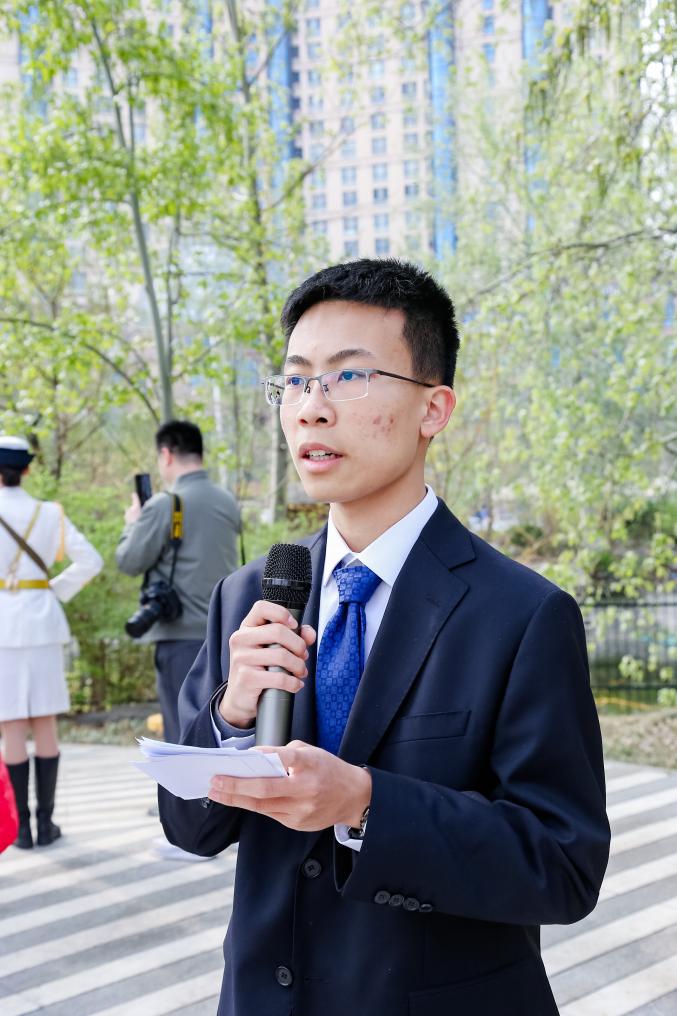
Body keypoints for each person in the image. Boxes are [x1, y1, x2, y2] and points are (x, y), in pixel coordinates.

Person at [159, 260, 610, 1015]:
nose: (311, 408)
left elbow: (564, 865)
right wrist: (230, 717)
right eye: (295, 381)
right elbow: (187, 827)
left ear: (433, 408)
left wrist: (365, 804)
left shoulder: (521, 614)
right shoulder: (251, 594)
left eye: (349, 377)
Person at [116, 420, 241, 859]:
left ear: (166, 454)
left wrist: (134, 522)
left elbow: (129, 560)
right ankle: (212, 811)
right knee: (217, 730)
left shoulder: (166, 504)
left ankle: (190, 833)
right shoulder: (226, 500)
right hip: (227, 632)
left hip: (179, 635)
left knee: (179, 731)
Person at [0, 436, 103, 849]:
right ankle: (46, 824)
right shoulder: (48, 513)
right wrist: (51, 590)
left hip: (3, 628)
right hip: (43, 625)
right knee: (44, 722)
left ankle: (21, 828)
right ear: (27, 469)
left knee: (11, 726)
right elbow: (91, 560)